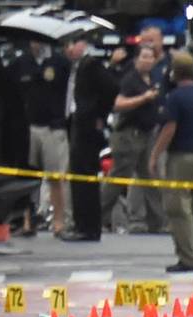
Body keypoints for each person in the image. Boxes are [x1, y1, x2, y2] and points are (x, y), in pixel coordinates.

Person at [149, 52, 193, 273]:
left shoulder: (176, 97)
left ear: (174, 72)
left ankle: (188, 257)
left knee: (177, 208)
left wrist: (155, 154)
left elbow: (169, 128)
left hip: (180, 156)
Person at [62, 35, 121, 242]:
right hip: (76, 123)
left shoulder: (91, 65)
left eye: (73, 43)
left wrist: (99, 115)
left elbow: (112, 88)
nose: (69, 49)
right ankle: (81, 224)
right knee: (77, 175)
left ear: (83, 44)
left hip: (87, 126)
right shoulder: (76, 67)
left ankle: (88, 227)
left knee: (85, 175)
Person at [11, 40, 71, 237]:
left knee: (55, 177)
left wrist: (64, 120)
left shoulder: (60, 63)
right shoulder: (21, 63)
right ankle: (28, 222)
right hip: (28, 127)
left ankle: (59, 223)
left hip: (53, 128)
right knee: (27, 177)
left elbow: (70, 93)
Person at [101, 45, 163, 234]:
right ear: (137, 59)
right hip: (129, 135)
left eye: (150, 57)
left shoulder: (153, 79)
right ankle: (98, 216)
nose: (147, 61)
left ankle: (158, 222)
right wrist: (143, 98)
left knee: (151, 176)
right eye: (143, 57)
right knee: (118, 178)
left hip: (148, 134)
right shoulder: (130, 80)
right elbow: (118, 104)